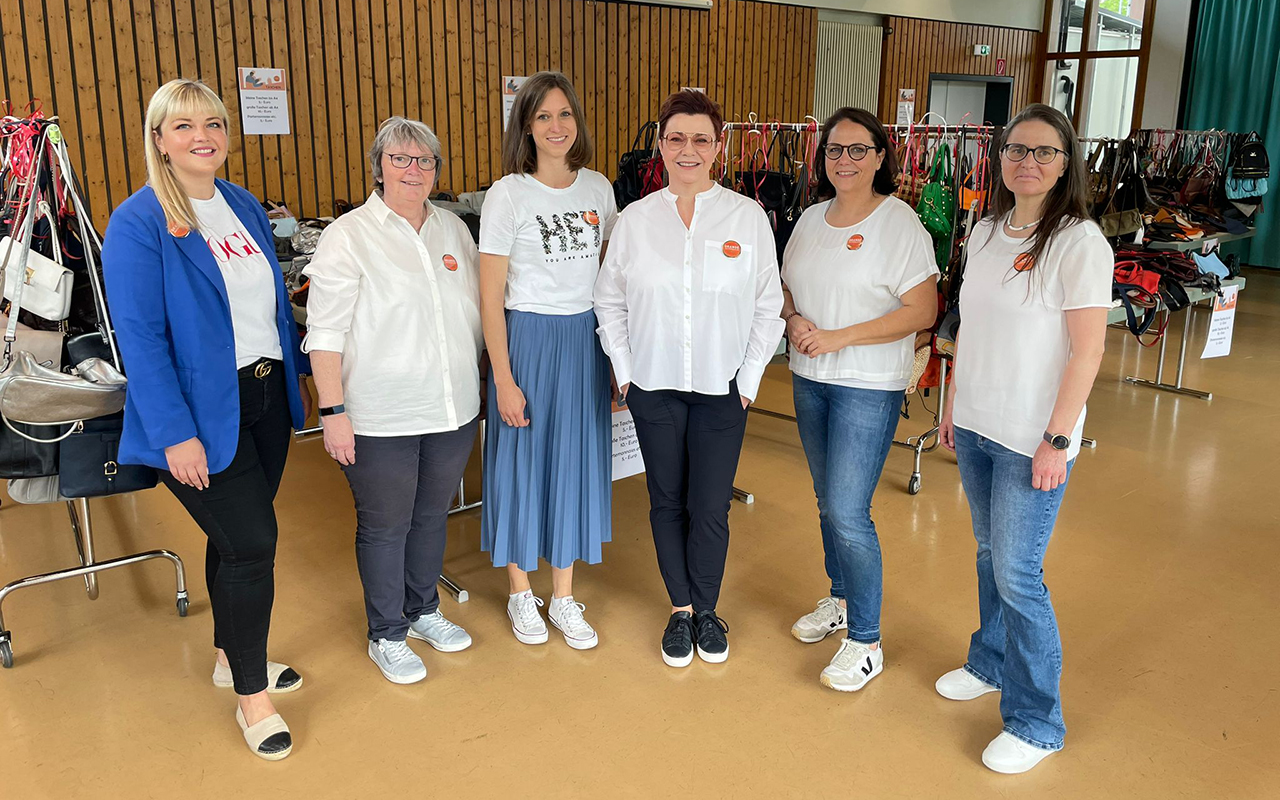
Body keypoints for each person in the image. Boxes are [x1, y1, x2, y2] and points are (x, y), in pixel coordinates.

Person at [101, 79, 311, 761]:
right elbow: (140, 336)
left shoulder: (243, 205)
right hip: (198, 414)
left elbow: (268, 309)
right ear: (159, 138)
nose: (203, 136)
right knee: (252, 541)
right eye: (184, 124)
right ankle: (252, 696)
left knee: (232, 538)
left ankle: (229, 656)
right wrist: (173, 433)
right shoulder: (137, 221)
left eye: (214, 123)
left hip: (265, 398)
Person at [937, 103, 1110, 774]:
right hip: (979, 423)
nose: (1027, 162)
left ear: (1066, 164)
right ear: (1001, 156)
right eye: (1017, 150)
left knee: (1018, 572)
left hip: (1031, 436)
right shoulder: (984, 232)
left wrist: (1057, 440)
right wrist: (954, 406)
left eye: (1043, 152)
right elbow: (970, 332)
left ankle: (1038, 721)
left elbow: (1087, 353)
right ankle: (990, 661)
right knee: (988, 554)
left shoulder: (1079, 243)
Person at [594, 90, 784, 668]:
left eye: (701, 139)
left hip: (722, 391)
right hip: (652, 388)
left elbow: (766, 305)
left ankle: (708, 608)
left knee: (710, 507)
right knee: (665, 501)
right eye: (676, 138)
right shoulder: (635, 220)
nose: (688, 150)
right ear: (660, 146)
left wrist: (748, 380)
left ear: (718, 148)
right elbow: (610, 302)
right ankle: (680, 610)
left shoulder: (746, 218)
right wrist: (626, 374)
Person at [303, 117, 481, 684]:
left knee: (431, 516)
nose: (413, 170)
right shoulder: (348, 235)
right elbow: (324, 334)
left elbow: (476, 314)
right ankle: (387, 632)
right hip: (380, 415)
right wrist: (333, 414)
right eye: (400, 159)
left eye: (424, 160)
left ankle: (424, 609)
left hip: (452, 409)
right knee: (386, 525)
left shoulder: (454, 230)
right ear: (378, 167)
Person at [781, 107, 938, 691]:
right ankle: (841, 598)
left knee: (849, 511)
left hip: (867, 386)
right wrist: (793, 318)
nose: (842, 159)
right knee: (827, 502)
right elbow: (786, 285)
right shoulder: (808, 219)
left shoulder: (899, 224)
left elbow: (922, 311)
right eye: (833, 149)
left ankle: (866, 640)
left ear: (879, 157)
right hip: (808, 376)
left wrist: (837, 338)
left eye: (856, 149)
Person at [478, 71, 617, 649]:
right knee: (520, 462)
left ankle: (563, 596)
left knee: (575, 463)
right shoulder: (507, 194)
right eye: (543, 117)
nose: (556, 127)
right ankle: (519, 593)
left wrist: (614, 360)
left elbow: (610, 282)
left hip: (584, 338)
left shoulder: (600, 190)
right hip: (527, 340)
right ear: (526, 128)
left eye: (564, 114)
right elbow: (489, 296)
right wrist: (504, 378)